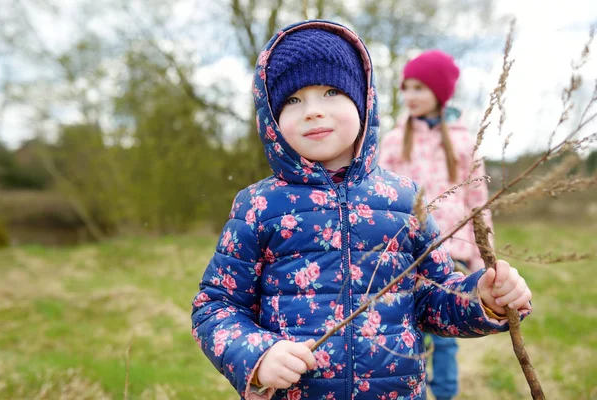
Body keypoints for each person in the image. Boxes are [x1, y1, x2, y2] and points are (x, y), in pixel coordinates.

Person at [191, 21, 532, 400]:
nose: (313, 112)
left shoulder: (405, 201)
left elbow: (431, 297)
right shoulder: (259, 206)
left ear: (363, 100)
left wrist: (481, 297)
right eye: (293, 100)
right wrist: (258, 355)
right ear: (270, 119)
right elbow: (215, 306)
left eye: (331, 91)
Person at [378, 50, 495, 400]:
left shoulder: (463, 142)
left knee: (445, 344)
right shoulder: (394, 140)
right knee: (405, 333)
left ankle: (444, 395)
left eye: (419, 88)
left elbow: (478, 204)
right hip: (404, 256)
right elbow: (379, 195)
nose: (410, 96)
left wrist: (482, 258)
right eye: (406, 88)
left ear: (440, 92)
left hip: (452, 254)